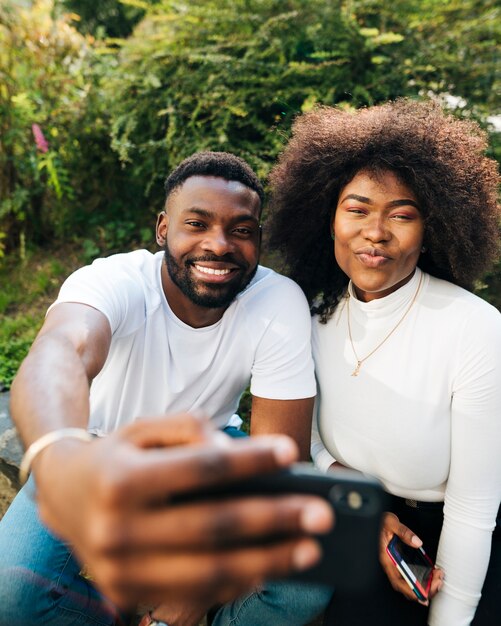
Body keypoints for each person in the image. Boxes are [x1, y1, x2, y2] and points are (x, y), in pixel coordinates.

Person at [0, 151, 334, 626]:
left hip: (212, 455)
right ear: (163, 229)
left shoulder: (276, 300)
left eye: (241, 230)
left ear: (258, 238)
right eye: (196, 224)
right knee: (12, 593)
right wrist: (59, 459)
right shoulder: (115, 281)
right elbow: (59, 354)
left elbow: (278, 460)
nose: (218, 245)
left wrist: (201, 587)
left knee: (306, 575)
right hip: (96, 451)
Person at [266, 99, 501, 625]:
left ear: (432, 229)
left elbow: (474, 505)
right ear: (327, 218)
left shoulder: (474, 327)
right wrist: (359, 503)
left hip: (467, 530)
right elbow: (308, 435)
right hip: (364, 519)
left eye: (402, 215)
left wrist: (451, 614)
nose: (376, 231)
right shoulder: (307, 311)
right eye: (358, 209)